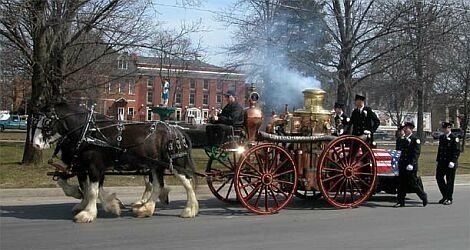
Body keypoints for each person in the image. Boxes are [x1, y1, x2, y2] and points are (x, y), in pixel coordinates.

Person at [394, 122, 428, 207]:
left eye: (407, 128)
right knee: (401, 184)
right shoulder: (401, 139)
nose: (405, 130)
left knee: (413, 183)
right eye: (404, 128)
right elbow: (398, 151)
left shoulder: (415, 139)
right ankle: (400, 201)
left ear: (411, 129)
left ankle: (423, 196)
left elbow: (416, 153)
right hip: (402, 164)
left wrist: (412, 164)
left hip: (410, 166)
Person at [436, 121, 461, 205]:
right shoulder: (442, 137)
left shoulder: (454, 138)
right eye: (443, 128)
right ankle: (445, 195)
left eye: (445, 128)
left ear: (449, 128)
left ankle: (449, 198)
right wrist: (438, 160)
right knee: (439, 177)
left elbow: (456, 151)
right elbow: (440, 150)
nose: (444, 129)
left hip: (450, 163)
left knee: (450, 181)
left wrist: (453, 161)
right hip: (442, 162)